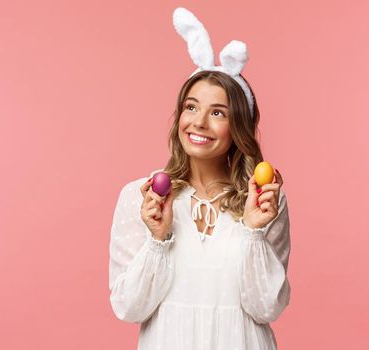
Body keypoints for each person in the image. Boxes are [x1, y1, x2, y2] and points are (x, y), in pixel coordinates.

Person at [107, 7, 291, 350]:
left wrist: (254, 232)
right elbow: (128, 308)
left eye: (217, 112)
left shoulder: (264, 199)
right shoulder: (143, 197)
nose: (199, 123)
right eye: (191, 107)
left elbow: (266, 307)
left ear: (239, 127)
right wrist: (157, 240)